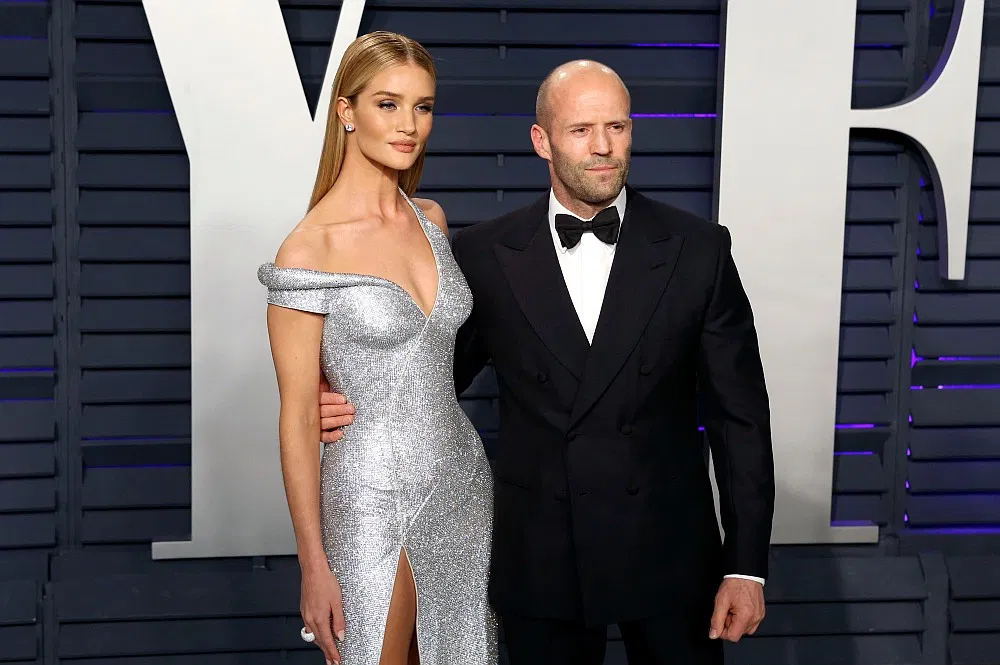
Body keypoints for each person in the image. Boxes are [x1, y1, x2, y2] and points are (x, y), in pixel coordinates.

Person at [321, 59, 775, 665]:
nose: (603, 147)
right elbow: (429, 381)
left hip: (670, 552)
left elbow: (740, 419)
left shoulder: (699, 248)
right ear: (542, 141)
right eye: (581, 130)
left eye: (616, 127)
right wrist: (346, 400)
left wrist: (745, 566)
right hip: (541, 554)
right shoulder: (483, 253)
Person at [258, 31, 496, 665]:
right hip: (367, 497)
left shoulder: (431, 221)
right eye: (388, 104)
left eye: (423, 106)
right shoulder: (309, 248)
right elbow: (298, 416)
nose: (408, 125)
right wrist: (312, 563)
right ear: (347, 111)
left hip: (461, 485)